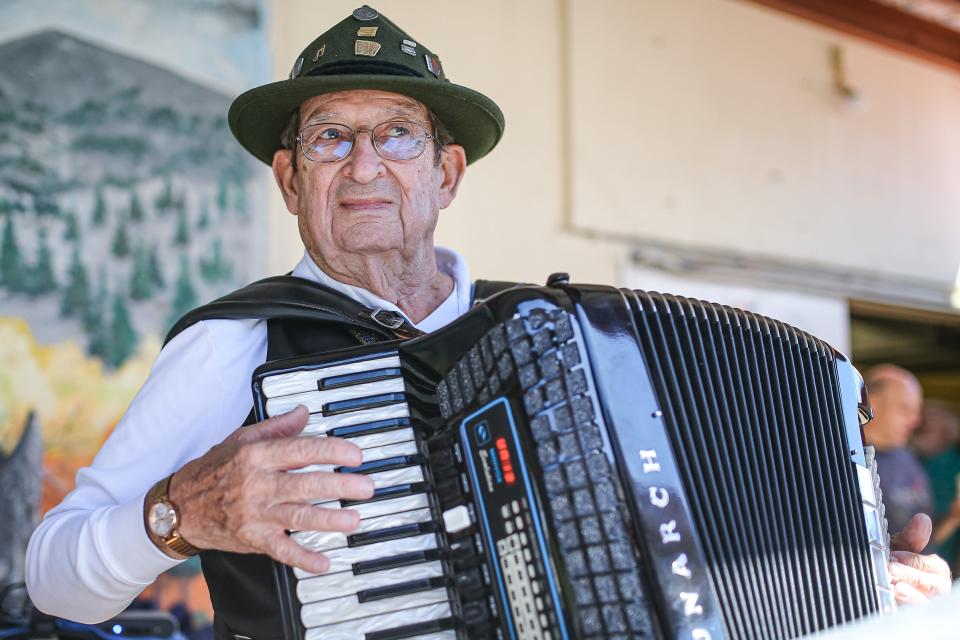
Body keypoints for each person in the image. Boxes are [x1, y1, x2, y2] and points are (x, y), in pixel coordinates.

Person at [25, 6, 951, 637]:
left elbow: (686, 562)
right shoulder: (238, 341)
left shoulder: (558, 334)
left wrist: (852, 580)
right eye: (327, 138)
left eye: (395, 134)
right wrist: (182, 511)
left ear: (447, 173)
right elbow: (52, 575)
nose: (361, 165)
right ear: (289, 178)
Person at [863, 365, 934, 536]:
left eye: (917, 411)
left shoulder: (907, 457)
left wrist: (953, 519)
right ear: (874, 404)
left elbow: (922, 541)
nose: (915, 421)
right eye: (905, 409)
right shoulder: (845, 458)